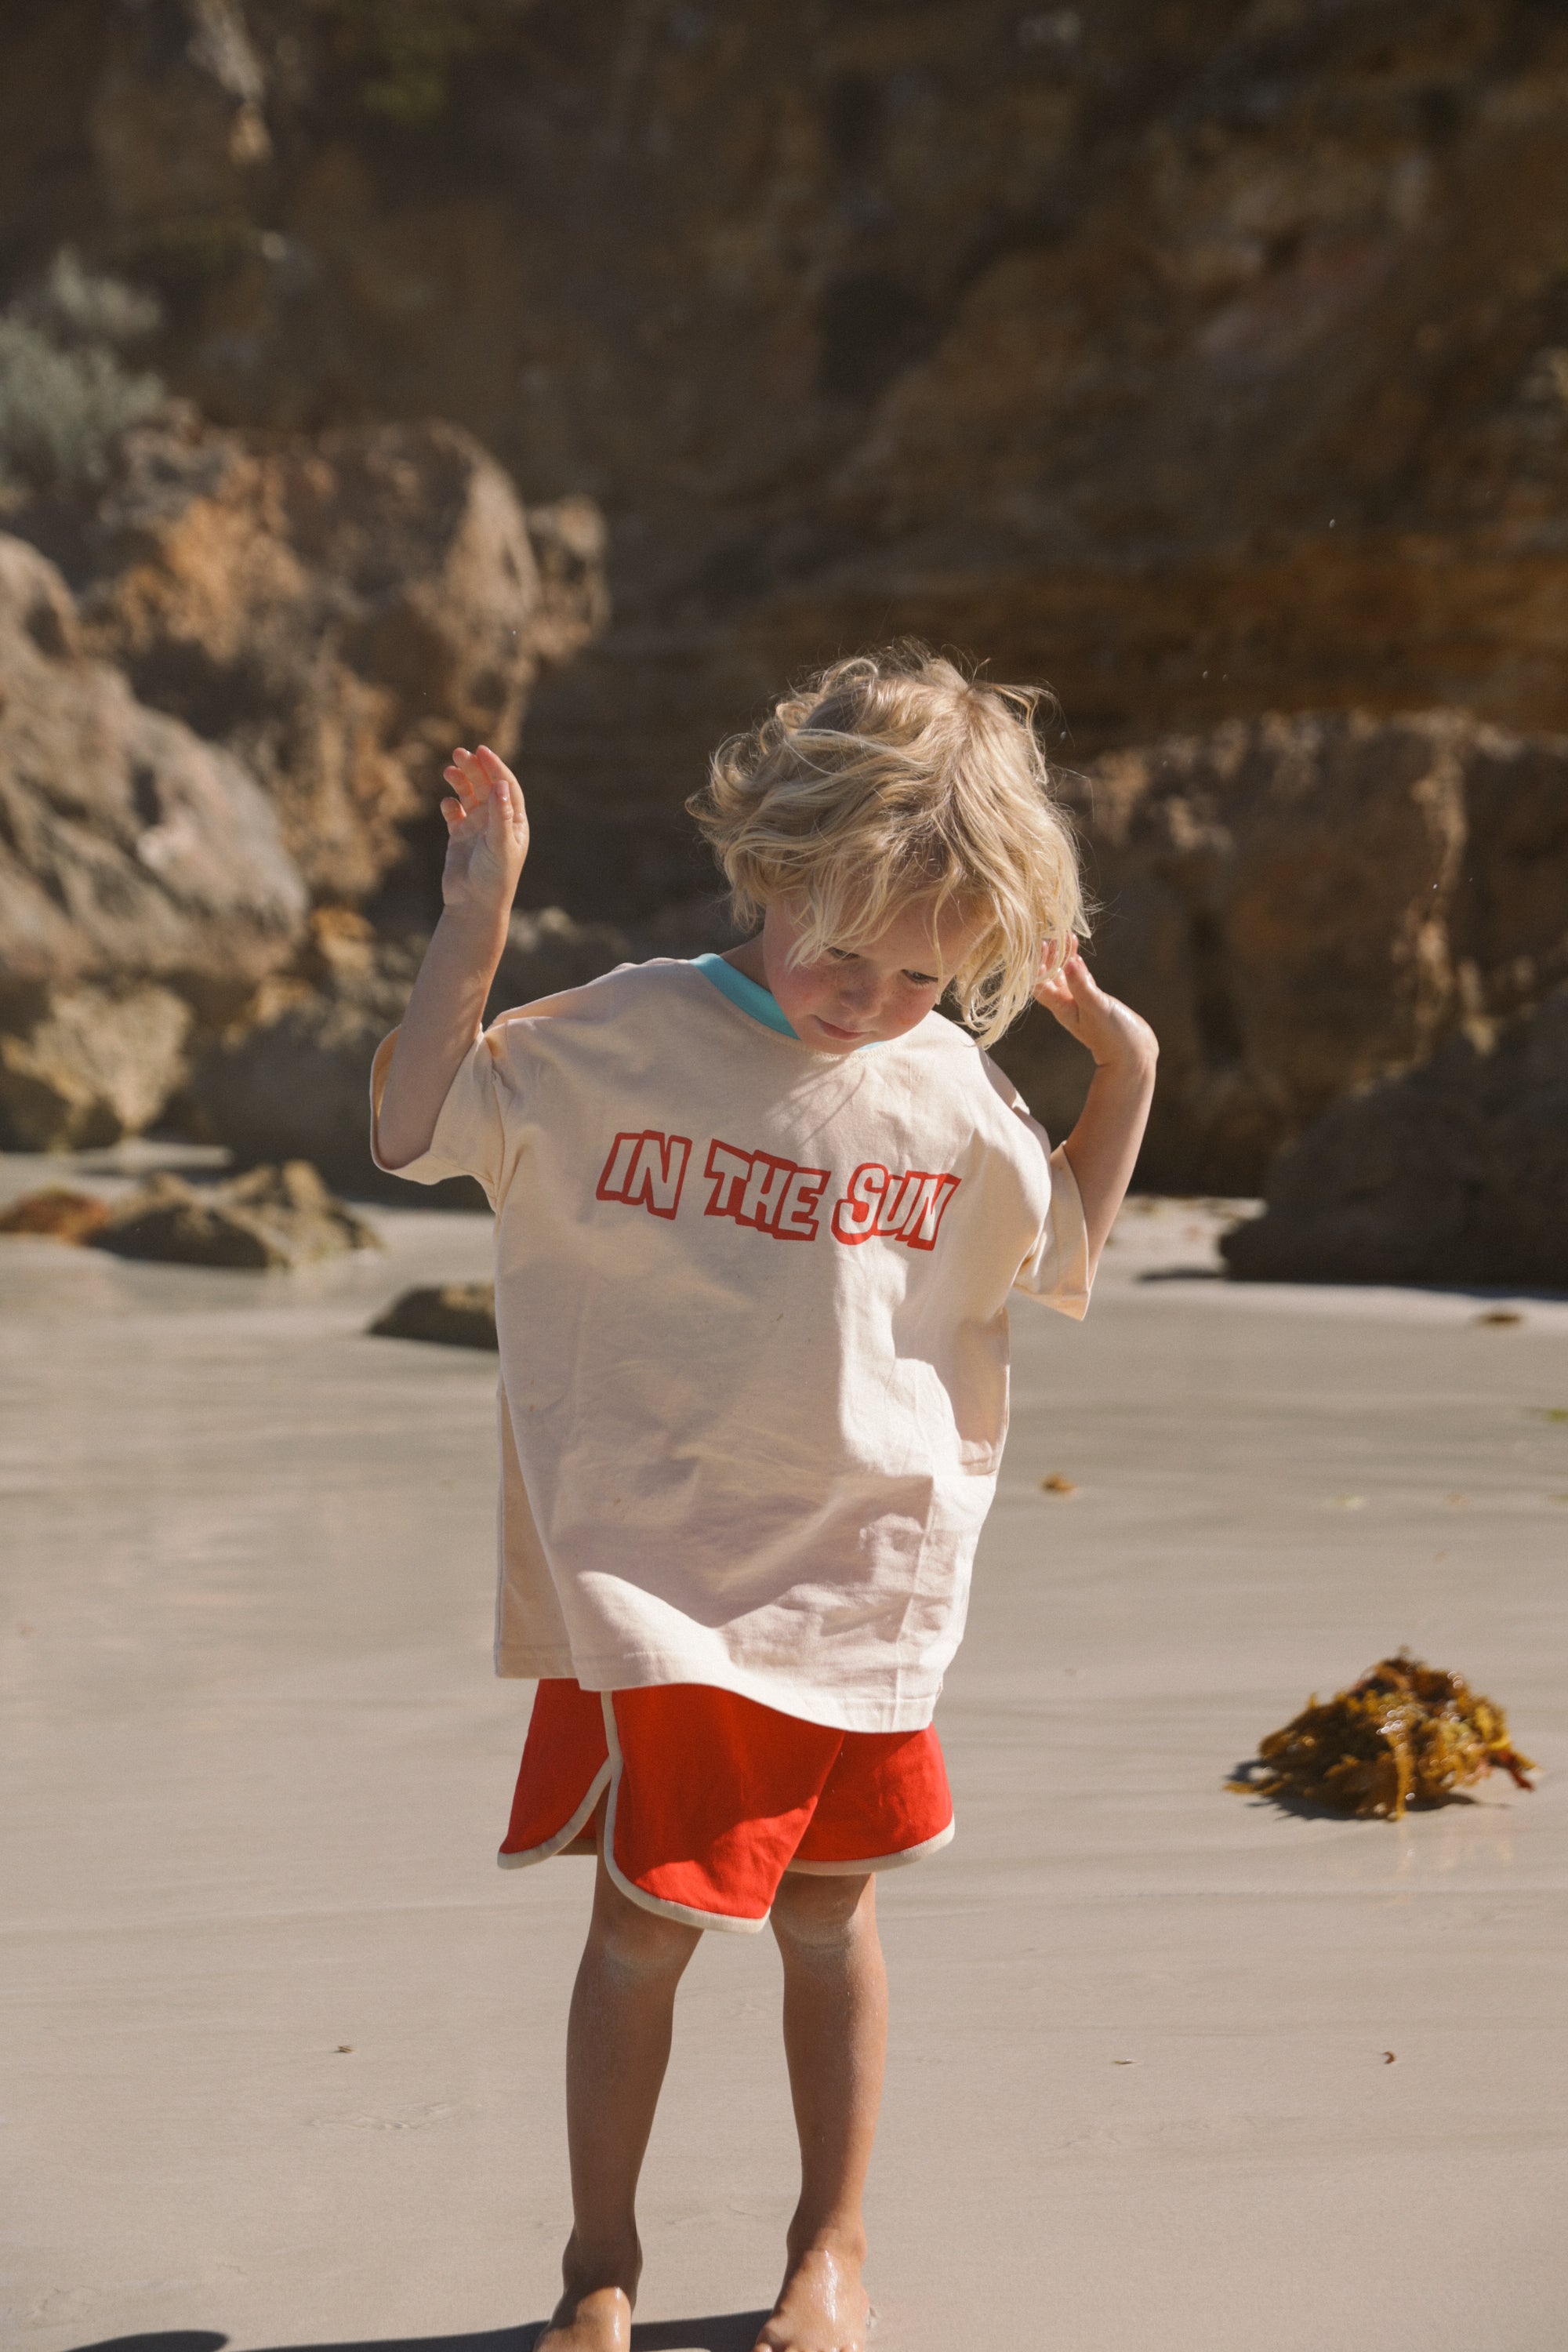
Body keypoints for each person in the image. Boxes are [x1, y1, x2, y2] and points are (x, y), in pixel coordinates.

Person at [372, 648, 1157, 2352]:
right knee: (643, 1935)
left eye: (918, 976)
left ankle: (833, 2248)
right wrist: (479, 925)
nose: (867, 999)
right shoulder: (625, 1036)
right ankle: (598, 2264)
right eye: (841, 951)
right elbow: (409, 1122)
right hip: (660, 1571)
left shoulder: (948, 1087)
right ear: (769, 866)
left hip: (861, 1572)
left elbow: (1062, 1257)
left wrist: (1130, 1073)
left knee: (829, 1917)